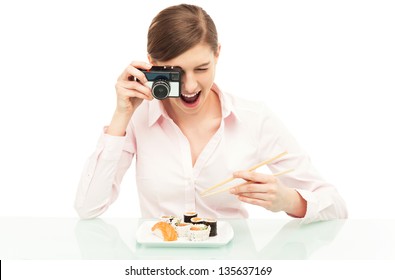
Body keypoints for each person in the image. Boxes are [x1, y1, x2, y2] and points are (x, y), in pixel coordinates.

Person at [74, 4, 347, 222]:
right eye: (176, 72)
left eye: (201, 69)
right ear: (154, 64)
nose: (190, 86)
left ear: (217, 54)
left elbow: (336, 207)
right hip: (159, 266)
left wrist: (288, 200)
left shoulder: (254, 118)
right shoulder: (138, 118)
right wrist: (121, 116)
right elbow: (88, 208)